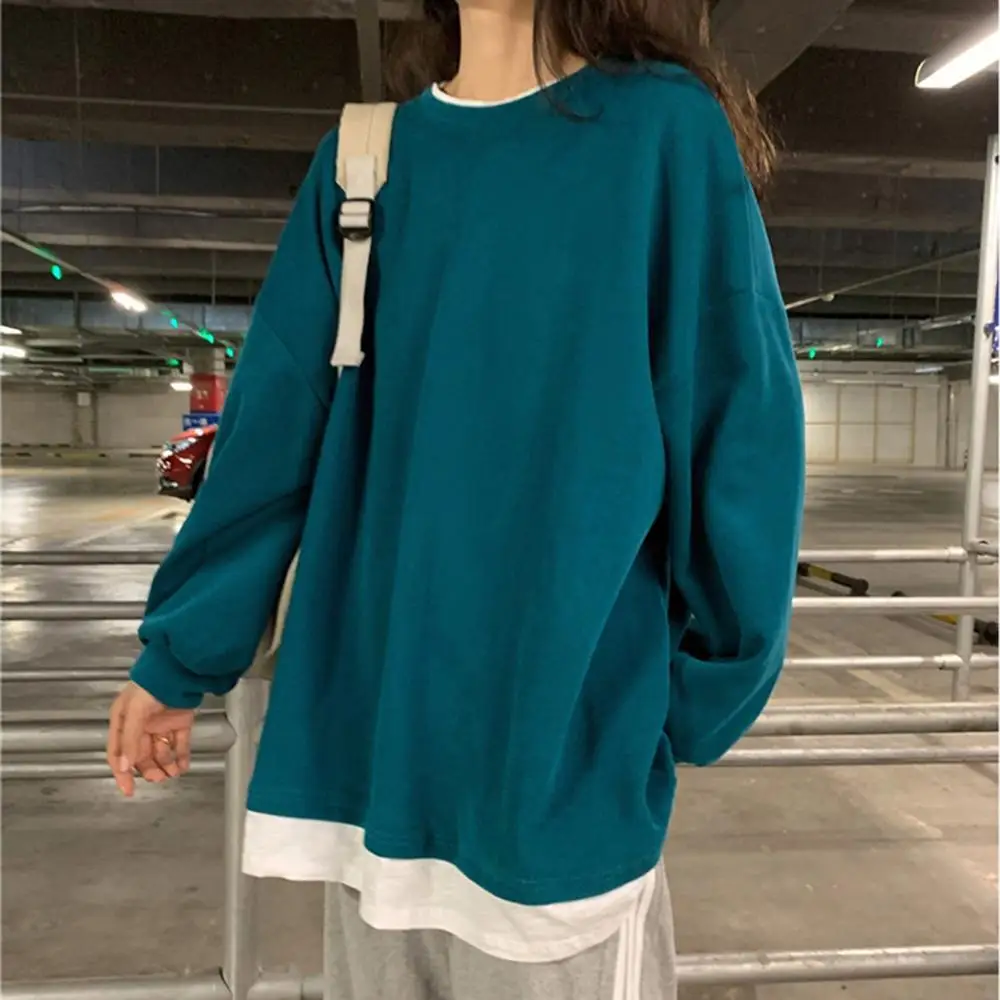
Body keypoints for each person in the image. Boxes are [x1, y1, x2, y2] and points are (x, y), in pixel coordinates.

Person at [106, 0, 805, 996]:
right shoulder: (364, 163)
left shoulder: (663, 132)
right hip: (373, 778)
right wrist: (180, 656)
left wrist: (691, 701)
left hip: (555, 778)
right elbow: (271, 435)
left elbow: (738, 432)